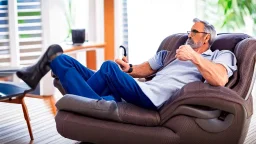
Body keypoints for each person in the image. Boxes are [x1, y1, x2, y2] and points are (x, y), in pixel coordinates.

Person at [16, 18, 237, 110]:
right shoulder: (171, 54)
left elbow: (219, 78)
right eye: (189, 30)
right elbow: (146, 69)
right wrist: (128, 69)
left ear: (206, 37)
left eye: (194, 32)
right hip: (140, 88)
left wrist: (194, 57)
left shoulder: (220, 55)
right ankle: (100, 101)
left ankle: (83, 99)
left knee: (107, 68)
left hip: (155, 98)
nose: (189, 34)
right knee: (62, 58)